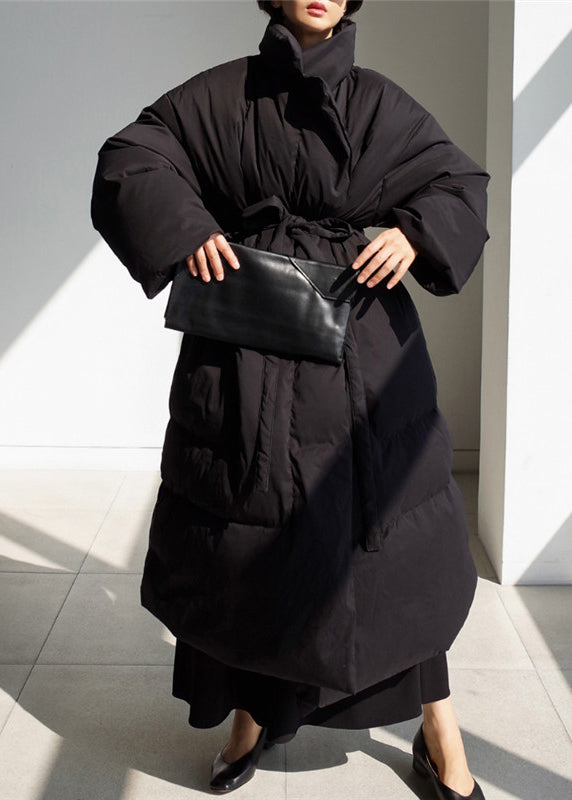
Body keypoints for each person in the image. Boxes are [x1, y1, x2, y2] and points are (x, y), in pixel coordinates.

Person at [90, 1, 490, 798]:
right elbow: (131, 157)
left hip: (364, 355)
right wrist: (186, 227)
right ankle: (250, 715)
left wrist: (413, 233)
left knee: (392, 552)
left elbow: (459, 183)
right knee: (247, 544)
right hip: (249, 351)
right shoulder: (222, 94)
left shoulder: (379, 101)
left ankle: (439, 730)